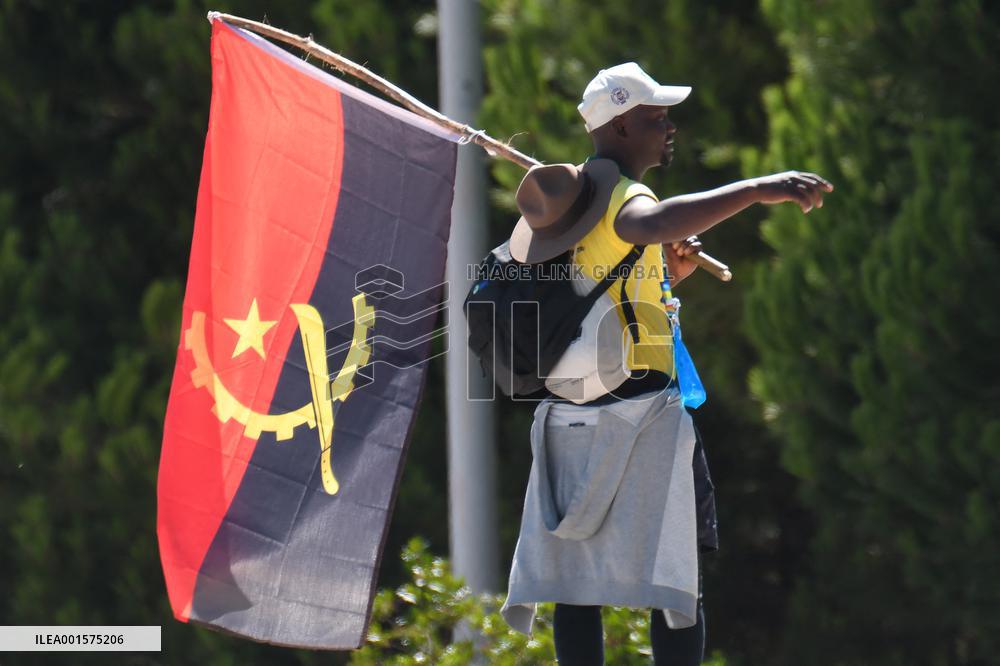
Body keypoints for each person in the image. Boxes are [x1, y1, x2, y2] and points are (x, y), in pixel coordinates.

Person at [499, 62, 833, 665]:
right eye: (656, 117)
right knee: (676, 581)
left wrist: (665, 276)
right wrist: (758, 189)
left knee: (577, 585)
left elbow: (610, 283)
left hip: (571, 412)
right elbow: (647, 223)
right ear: (623, 127)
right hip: (639, 415)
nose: (669, 127)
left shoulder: (572, 199)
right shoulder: (625, 195)